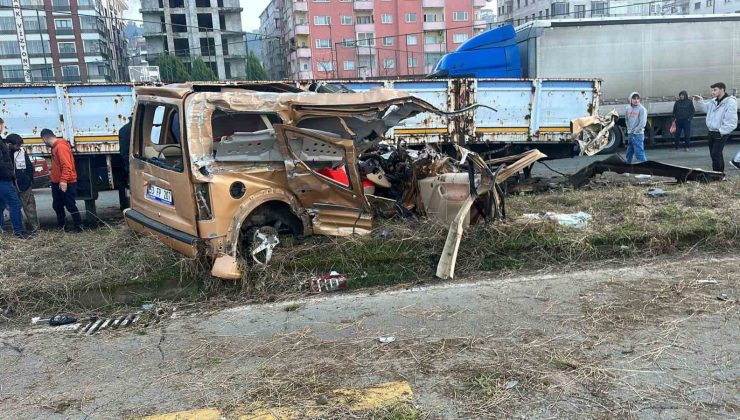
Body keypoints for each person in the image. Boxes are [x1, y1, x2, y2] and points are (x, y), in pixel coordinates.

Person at [41, 128, 82, 232]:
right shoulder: (56, 147)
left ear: (45, 138)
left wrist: (63, 181)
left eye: (43, 141)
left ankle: (78, 226)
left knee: (70, 205)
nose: (44, 143)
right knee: (57, 205)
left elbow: (67, 166)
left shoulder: (60, 147)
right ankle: (62, 226)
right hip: (58, 181)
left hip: (66, 182)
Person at [693, 83, 738, 173]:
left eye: (715, 90)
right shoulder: (714, 101)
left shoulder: (730, 102)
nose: (712, 92)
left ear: (722, 90)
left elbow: (732, 122)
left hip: (720, 133)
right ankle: (719, 175)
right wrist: (698, 101)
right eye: (712, 90)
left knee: (715, 154)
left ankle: (717, 176)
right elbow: (705, 109)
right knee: (716, 154)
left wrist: (721, 131)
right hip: (711, 132)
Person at [0, 126, 28, 238]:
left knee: (1, 206)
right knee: (15, 204)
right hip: (3, 178)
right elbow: (2, 163)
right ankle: (19, 232)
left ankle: (2, 232)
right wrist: (10, 174)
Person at [6, 134, 39, 231]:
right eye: (17, 145)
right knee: (15, 208)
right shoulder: (4, 153)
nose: (19, 147)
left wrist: (29, 179)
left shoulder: (22, 152)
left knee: (30, 208)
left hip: (24, 184)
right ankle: (20, 230)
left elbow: (29, 167)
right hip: (10, 185)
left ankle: (35, 228)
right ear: (9, 144)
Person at [625, 92, 648, 164]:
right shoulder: (627, 108)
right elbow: (626, 119)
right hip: (630, 134)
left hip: (638, 134)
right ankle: (627, 169)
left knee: (639, 153)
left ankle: (646, 172)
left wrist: (635, 131)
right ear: (630, 99)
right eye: (634, 98)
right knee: (629, 153)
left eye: (638, 98)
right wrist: (629, 130)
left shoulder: (642, 109)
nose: (636, 100)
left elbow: (643, 123)